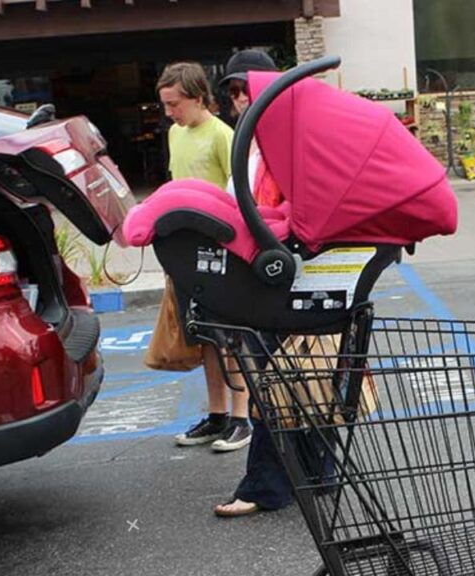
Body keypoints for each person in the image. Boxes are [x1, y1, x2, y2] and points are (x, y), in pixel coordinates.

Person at [209, 50, 299, 518]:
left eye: (245, 90)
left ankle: (265, 486)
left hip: (278, 278)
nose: (240, 100)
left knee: (274, 383)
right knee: (300, 382)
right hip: (264, 274)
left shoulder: (279, 144)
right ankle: (316, 474)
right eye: (234, 92)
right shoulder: (256, 144)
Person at [155, 61, 252, 451]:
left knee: (232, 336)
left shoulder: (221, 135)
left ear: (198, 97)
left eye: (174, 104)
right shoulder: (176, 134)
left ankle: (242, 417)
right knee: (205, 335)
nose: (169, 113)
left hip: (221, 247)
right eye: (164, 104)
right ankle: (217, 414)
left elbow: (240, 191)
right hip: (187, 248)